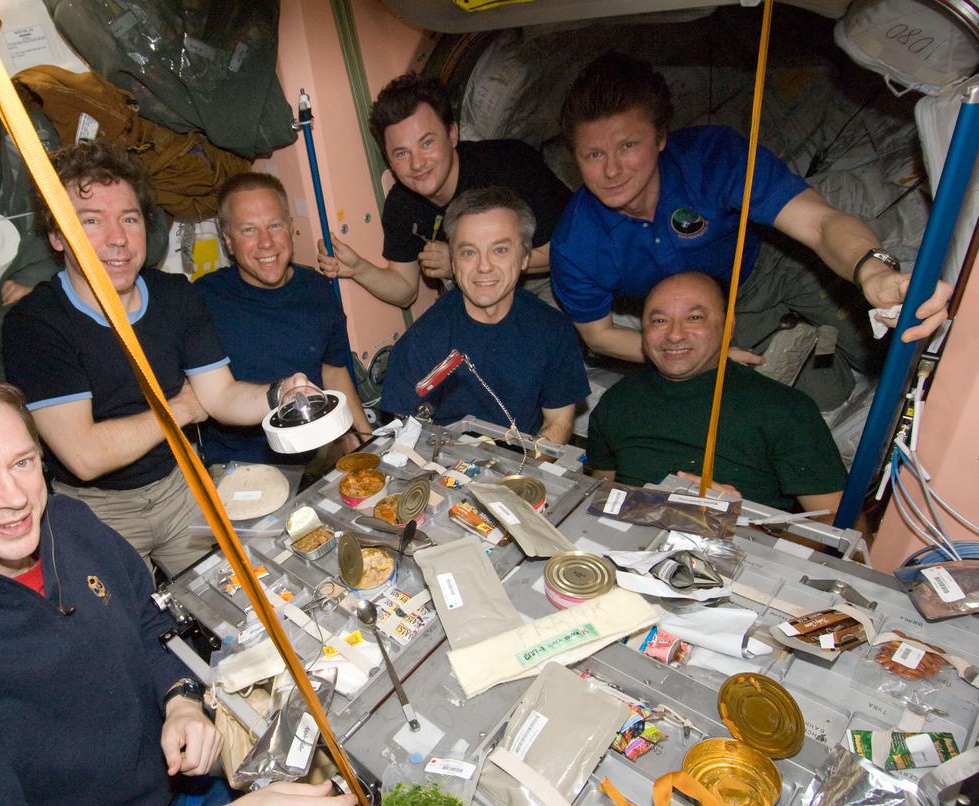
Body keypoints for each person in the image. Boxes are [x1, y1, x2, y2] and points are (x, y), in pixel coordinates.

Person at [0, 371, 359, 806]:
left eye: (22, 463)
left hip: (181, 799)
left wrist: (178, 698)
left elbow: (151, 621)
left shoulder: (68, 523)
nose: (14, 497)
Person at [551, 52, 952, 410]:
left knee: (900, 353)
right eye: (594, 154)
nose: (612, 170)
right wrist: (692, 352)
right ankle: (804, 342)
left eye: (627, 146)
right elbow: (600, 337)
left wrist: (874, 270)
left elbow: (819, 222)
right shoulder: (576, 243)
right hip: (703, 315)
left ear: (659, 139)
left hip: (775, 263)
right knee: (812, 400)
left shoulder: (711, 157)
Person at [2, 141, 313, 575]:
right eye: (90, 221)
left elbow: (221, 396)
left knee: (232, 594)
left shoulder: (175, 296)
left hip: (179, 485)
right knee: (135, 629)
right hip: (98, 508)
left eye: (129, 219)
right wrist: (182, 408)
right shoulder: (36, 323)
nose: (117, 239)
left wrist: (280, 392)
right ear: (56, 235)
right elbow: (86, 455)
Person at [587, 272, 848, 513]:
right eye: (659, 321)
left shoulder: (784, 409)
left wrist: (742, 519)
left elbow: (839, 525)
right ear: (644, 332)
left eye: (695, 318)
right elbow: (598, 498)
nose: (675, 335)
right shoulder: (617, 401)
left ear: (728, 326)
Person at [317, 74, 571, 307]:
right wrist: (358, 268)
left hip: (550, 277)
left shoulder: (509, 163)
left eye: (427, 143)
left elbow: (564, 252)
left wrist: (460, 260)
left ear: (452, 135)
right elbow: (405, 290)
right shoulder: (403, 204)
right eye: (402, 153)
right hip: (478, 293)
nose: (417, 164)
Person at [380, 187, 588, 443]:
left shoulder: (553, 328)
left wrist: (518, 478)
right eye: (469, 252)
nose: (484, 266)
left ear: (524, 257)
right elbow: (403, 441)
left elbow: (558, 421)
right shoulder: (420, 342)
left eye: (499, 250)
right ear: (454, 263)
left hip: (524, 465)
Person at [195, 172, 371, 465]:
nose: (266, 242)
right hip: (242, 464)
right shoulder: (203, 299)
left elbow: (334, 372)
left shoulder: (316, 288)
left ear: (291, 228)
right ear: (228, 241)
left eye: (274, 225)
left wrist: (368, 441)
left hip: (317, 452)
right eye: (248, 230)